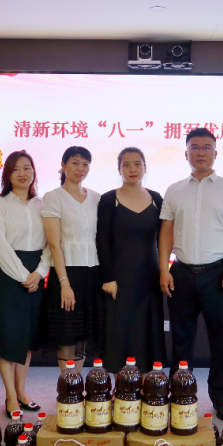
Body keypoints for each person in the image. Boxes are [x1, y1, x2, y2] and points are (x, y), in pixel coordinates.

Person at [159, 128, 223, 421]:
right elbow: (166, 232)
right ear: (186, 152)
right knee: (181, 340)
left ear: (215, 153)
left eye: (207, 147)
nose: (201, 152)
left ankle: (221, 400)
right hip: (181, 273)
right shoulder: (174, 189)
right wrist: (164, 269)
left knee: (222, 341)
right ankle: (180, 396)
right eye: (195, 147)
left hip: (219, 272)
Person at [0, 151, 49, 417]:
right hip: (7, 274)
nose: (23, 173)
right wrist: (24, 275)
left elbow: (52, 242)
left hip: (36, 273)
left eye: (27, 168)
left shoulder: (43, 204)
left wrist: (40, 272)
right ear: (7, 174)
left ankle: (22, 391)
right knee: (8, 335)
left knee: (27, 337)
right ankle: (10, 396)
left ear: (34, 172)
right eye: (16, 169)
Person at [97, 147, 167, 373]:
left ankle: (147, 386)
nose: (132, 169)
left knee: (147, 332)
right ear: (119, 169)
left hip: (149, 277)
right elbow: (102, 241)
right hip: (119, 278)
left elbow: (165, 239)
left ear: (145, 167)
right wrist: (108, 278)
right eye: (126, 165)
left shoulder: (157, 198)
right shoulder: (109, 199)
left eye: (137, 164)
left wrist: (164, 270)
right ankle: (123, 388)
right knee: (120, 332)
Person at [41, 146, 103, 371]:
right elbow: (54, 245)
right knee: (67, 334)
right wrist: (64, 284)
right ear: (63, 165)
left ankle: (77, 382)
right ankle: (68, 384)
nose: (80, 168)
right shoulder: (53, 197)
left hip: (93, 273)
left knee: (84, 333)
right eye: (75, 163)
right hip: (66, 273)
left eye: (85, 164)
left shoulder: (96, 198)